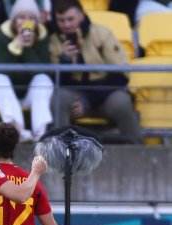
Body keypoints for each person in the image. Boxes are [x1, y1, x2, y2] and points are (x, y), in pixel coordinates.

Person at [49, 0, 142, 143]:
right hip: (76, 93)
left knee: (122, 102)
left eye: (70, 19)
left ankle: (138, 150)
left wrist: (88, 101)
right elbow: (57, 82)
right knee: (59, 99)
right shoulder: (54, 41)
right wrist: (65, 61)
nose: (66, 25)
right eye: (61, 20)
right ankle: (61, 152)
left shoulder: (102, 33)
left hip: (106, 92)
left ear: (81, 16)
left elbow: (121, 75)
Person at [0, 0, 53, 142]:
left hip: (28, 93)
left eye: (32, 18)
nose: (26, 22)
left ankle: (40, 132)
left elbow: (43, 71)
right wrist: (16, 45)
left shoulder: (42, 36)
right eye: (21, 17)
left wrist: (27, 48)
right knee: (0, 80)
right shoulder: (1, 35)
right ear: (13, 20)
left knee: (43, 80)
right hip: (2, 95)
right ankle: (17, 129)